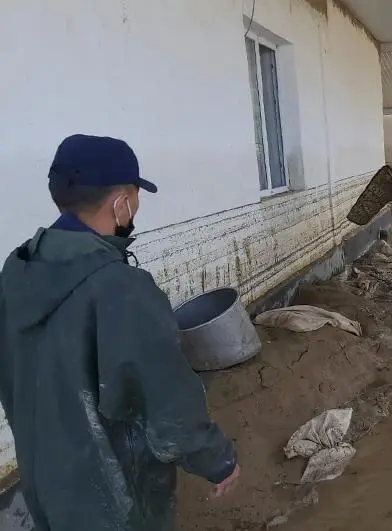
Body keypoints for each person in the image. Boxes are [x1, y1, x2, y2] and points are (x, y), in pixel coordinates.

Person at [0, 134, 240, 530]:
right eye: (134, 196)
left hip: (47, 487)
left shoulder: (16, 274)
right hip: (116, 501)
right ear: (120, 203)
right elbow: (166, 400)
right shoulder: (119, 288)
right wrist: (218, 461)